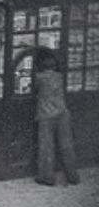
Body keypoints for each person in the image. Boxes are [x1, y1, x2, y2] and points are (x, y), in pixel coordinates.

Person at [30, 45, 80, 186]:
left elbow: (34, 90)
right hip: (63, 113)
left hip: (46, 115)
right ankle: (73, 175)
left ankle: (46, 177)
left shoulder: (39, 77)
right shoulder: (59, 76)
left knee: (47, 146)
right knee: (67, 145)